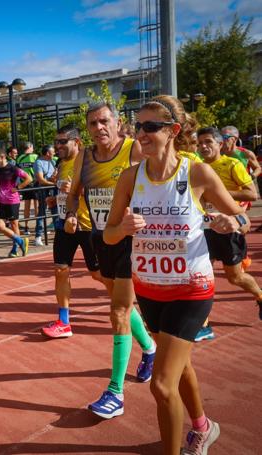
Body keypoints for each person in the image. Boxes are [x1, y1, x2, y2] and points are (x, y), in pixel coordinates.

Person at [103, 95, 248, 455]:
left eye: (151, 126)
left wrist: (234, 221)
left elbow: (244, 217)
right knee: (179, 367)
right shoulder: (129, 177)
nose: (142, 133)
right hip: (149, 289)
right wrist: (122, 227)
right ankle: (203, 426)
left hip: (191, 289)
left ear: (173, 131)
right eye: (138, 126)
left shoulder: (196, 172)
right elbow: (107, 235)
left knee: (162, 385)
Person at [65, 101, 156, 418]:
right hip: (101, 238)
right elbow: (74, 192)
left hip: (133, 239)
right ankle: (150, 348)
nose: (99, 128)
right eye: (93, 124)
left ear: (117, 123)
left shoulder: (133, 149)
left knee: (118, 310)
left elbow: (158, 184)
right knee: (122, 304)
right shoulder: (85, 158)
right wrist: (71, 213)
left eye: (104, 121)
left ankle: (115, 392)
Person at [195, 126, 262, 332]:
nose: (204, 147)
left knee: (235, 277)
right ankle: (203, 324)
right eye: (200, 144)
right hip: (203, 228)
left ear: (220, 144)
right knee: (200, 274)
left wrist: (218, 194)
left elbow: (252, 194)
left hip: (228, 228)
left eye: (208, 142)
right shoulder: (195, 167)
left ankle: (260, 296)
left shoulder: (231, 163)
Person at [42, 127, 106, 338]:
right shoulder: (60, 164)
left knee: (98, 274)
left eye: (62, 142)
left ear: (76, 141)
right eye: (56, 142)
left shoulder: (89, 162)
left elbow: (101, 190)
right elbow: (63, 192)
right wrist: (55, 199)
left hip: (88, 225)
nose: (57, 146)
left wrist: (76, 191)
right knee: (61, 270)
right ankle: (64, 322)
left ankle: (127, 303)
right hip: (64, 224)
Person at [33, 144, 57, 246]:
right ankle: (38, 236)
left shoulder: (53, 161)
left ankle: (59, 234)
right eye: (53, 151)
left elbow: (54, 176)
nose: (55, 153)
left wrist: (55, 178)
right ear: (47, 153)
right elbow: (41, 180)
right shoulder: (38, 162)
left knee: (55, 212)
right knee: (42, 212)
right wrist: (55, 183)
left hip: (52, 190)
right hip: (43, 190)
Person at [16, 142, 38, 235]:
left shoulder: (19, 158)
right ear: (29, 147)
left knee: (26, 206)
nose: (33, 148)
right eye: (32, 147)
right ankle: (39, 226)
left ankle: (26, 227)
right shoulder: (36, 157)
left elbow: (17, 171)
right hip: (35, 183)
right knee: (37, 205)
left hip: (25, 184)